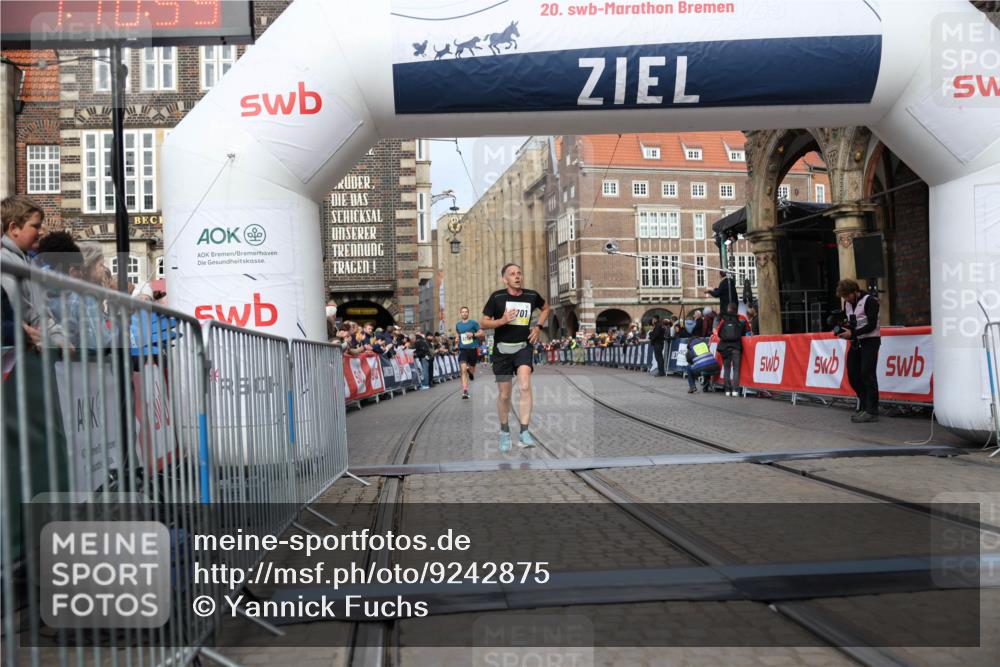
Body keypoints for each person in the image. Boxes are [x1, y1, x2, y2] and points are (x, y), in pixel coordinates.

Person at [480, 263, 549, 452]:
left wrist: (538, 327)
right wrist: (501, 321)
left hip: (523, 347)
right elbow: (484, 322)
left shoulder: (532, 296)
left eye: (519, 273)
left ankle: (524, 432)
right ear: (505, 279)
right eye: (512, 274)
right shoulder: (497, 297)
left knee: (525, 385)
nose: (517, 276)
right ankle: (504, 431)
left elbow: (545, 308)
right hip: (501, 350)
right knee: (504, 395)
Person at [836, 279, 881, 423]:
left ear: (855, 291)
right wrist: (843, 326)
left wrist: (852, 333)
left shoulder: (870, 301)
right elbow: (852, 322)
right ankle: (863, 404)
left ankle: (872, 410)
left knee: (867, 373)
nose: (846, 299)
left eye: (847, 296)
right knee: (853, 375)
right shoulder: (847, 303)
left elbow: (872, 324)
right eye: (844, 297)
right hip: (856, 342)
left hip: (870, 341)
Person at [714, 302, 750, 396]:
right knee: (736, 370)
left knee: (727, 369)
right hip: (736, 347)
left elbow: (718, 333)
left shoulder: (723, 321)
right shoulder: (741, 319)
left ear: (728, 309)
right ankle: (735, 390)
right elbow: (747, 332)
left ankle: (727, 390)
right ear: (736, 309)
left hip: (725, 348)